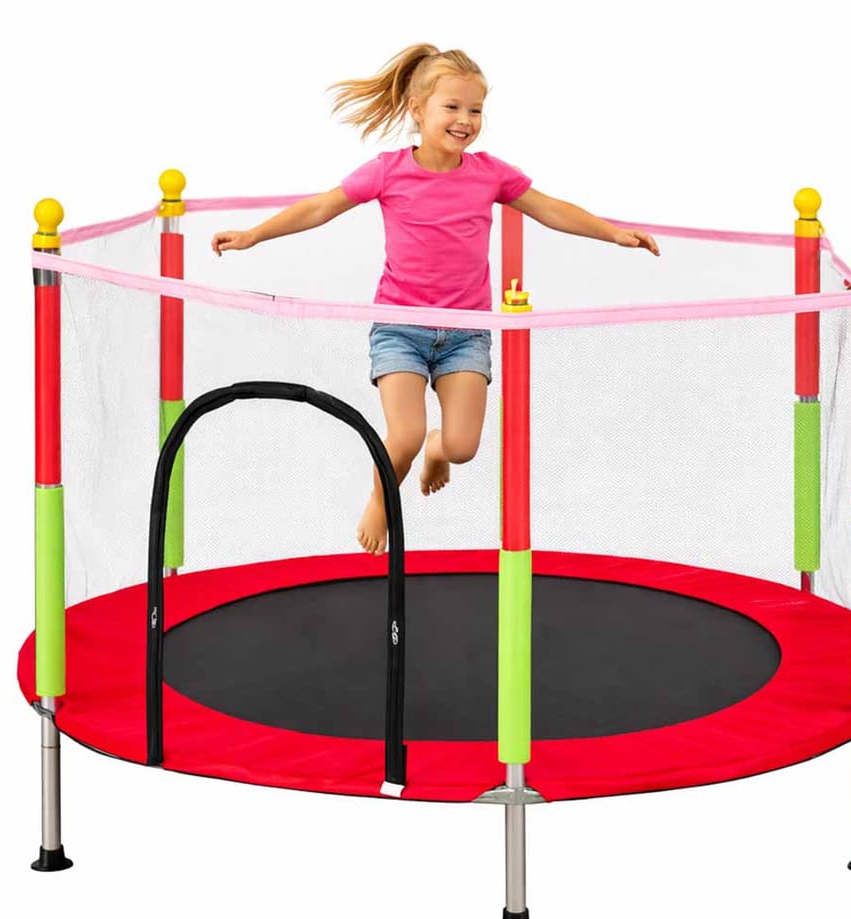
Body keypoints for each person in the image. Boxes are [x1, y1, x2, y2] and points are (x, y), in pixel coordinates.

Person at [212, 43, 660, 556]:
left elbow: (550, 209)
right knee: (403, 435)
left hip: (464, 335)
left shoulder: (490, 174)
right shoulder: (388, 171)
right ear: (418, 110)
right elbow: (320, 207)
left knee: (462, 447)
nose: (465, 120)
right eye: (452, 107)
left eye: (475, 110)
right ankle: (381, 500)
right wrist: (254, 235)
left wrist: (613, 233)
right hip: (399, 329)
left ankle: (436, 449)